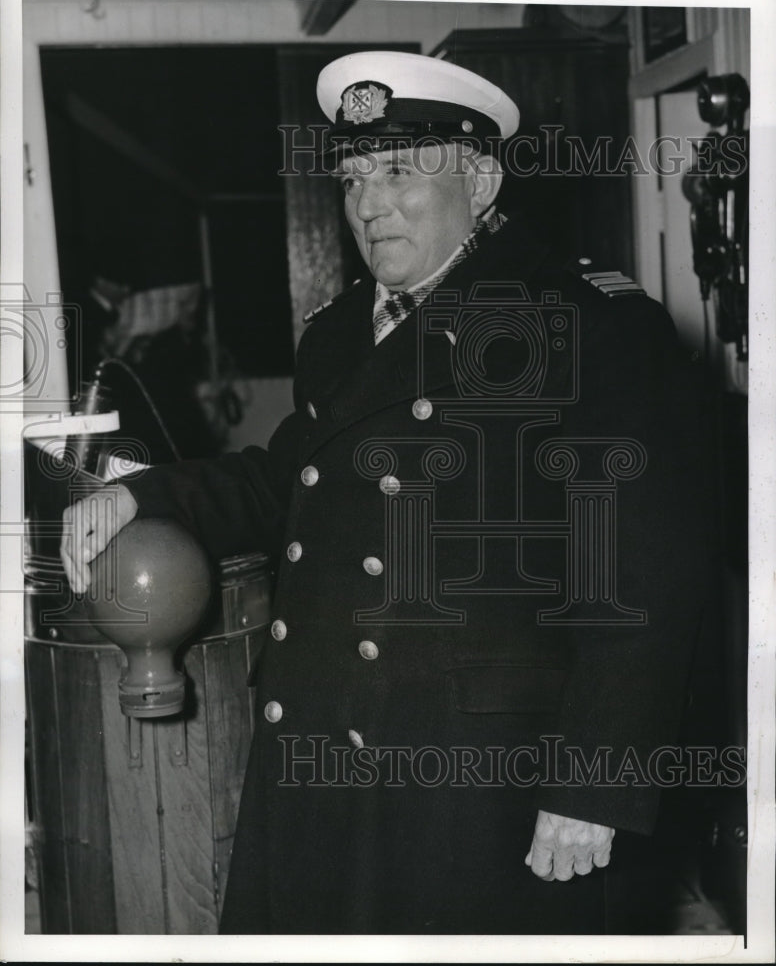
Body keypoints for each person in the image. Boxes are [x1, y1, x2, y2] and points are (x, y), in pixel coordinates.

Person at [61, 51, 706, 934]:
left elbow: (646, 571)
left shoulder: (585, 324)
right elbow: (288, 476)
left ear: (479, 182)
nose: (369, 203)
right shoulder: (337, 332)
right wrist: (143, 496)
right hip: (324, 737)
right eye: (354, 175)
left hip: (478, 777)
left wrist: (595, 785)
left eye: (401, 172)